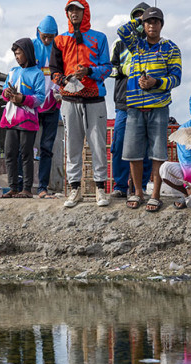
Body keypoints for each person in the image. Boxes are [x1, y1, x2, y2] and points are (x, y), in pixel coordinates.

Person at [118, 6, 182, 212]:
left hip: (159, 107)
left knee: (157, 153)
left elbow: (176, 78)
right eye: (148, 22)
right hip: (135, 106)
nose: (151, 25)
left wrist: (156, 82)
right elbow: (122, 31)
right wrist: (139, 21)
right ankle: (137, 192)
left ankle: (155, 195)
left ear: (161, 25)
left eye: (155, 22)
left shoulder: (171, 48)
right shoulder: (136, 45)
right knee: (133, 153)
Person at [49, 0, 112, 208]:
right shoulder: (59, 40)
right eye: (70, 10)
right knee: (73, 146)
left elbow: (107, 67)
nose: (73, 13)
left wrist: (89, 71)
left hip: (95, 98)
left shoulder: (99, 38)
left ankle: (100, 189)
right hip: (69, 99)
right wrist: (64, 80)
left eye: (77, 9)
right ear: (66, 13)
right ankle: (74, 189)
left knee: (98, 145)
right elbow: (54, 70)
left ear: (85, 12)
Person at [110, 2, 152, 198]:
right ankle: (120, 186)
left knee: (144, 146)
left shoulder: (154, 43)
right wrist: (127, 70)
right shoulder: (119, 43)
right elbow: (110, 69)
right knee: (119, 144)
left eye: (144, 18)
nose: (140, 20)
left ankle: (141, 186)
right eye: (137, 17)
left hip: (146, 102)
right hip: (123, 102)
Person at [0, 38, 46, 198]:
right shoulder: (12, 72)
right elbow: (5, 90)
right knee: (10, 153)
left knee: (26, 154)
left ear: (27, 53)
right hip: (11, 119)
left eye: (19, 54)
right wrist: (6, 93)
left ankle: (26, 188)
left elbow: (41, 98)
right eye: (15, 54)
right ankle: (13, 187)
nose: (17, 57)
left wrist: (23, 99)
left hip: (27, 120)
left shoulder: (37, 74)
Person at [32, 16, 61, 198]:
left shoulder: (60, 49)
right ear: (38, 32)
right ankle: (23, 186)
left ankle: (43, 187)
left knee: (46, 148)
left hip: (52, 104)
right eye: (44, 37)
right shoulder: (31, 47)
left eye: (51, 37)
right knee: (26, 147)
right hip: (33, 105)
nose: (48, 40)